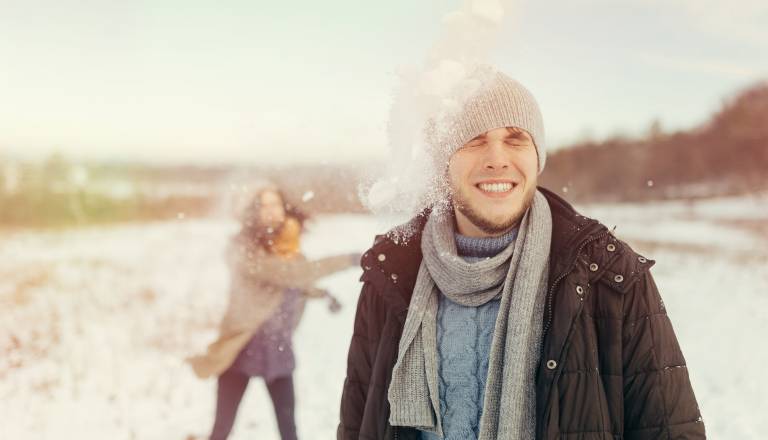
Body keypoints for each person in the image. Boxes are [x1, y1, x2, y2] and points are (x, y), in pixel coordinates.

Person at [337, 67, 705, 439]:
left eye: (515, 139)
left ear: (537, 156)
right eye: (474, 140)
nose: (497, 159)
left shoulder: (608, 274)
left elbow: (670, 430)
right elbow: (357, 423)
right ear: (443, 163)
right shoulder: (393, 272)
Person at [189, 185, 356, 440]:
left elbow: (294, 281)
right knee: (221, 429)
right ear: (253, 212)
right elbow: (289, 274)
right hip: (241, 348)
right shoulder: (244, 250)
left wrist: (322, 294)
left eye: (275, 204)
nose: (270, 211)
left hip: (278, 350)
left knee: (289, 431)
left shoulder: (289, 252)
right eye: (264, 205)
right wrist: (350, 259)